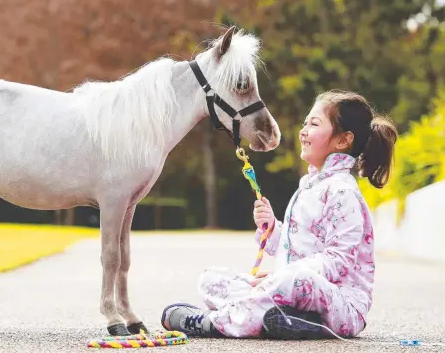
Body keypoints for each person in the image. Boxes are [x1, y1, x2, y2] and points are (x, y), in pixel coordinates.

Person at [160, 90, 398, 339]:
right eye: (305, 123)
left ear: (342, 140)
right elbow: (296, 247)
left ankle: (217, 323)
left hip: (342, 307)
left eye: (314, 124)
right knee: (212, 279)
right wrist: (272, 228)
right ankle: (288, 320)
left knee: (294, 279)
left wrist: (279, 277)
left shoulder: (342, 191)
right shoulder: (311, 184)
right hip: (296, 293)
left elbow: (337, 261)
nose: (303, 130)